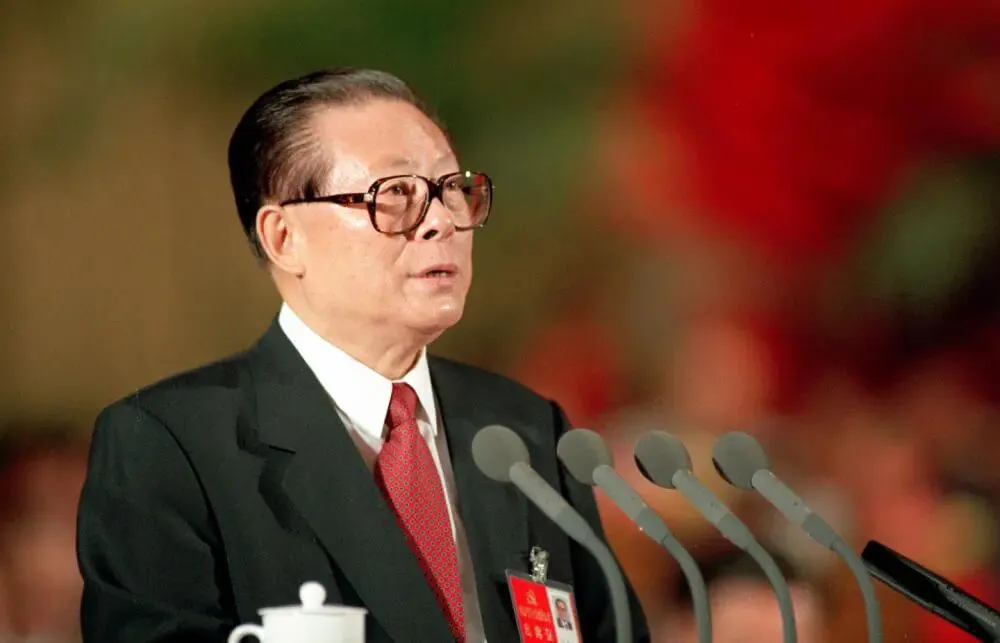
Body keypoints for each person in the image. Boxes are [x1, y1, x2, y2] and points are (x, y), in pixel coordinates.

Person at [76, 68, 649, 643]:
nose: (442, 222)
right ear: (283, 238)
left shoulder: (522, 430)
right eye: (396, 194)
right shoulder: (169, 446)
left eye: (452, 189)